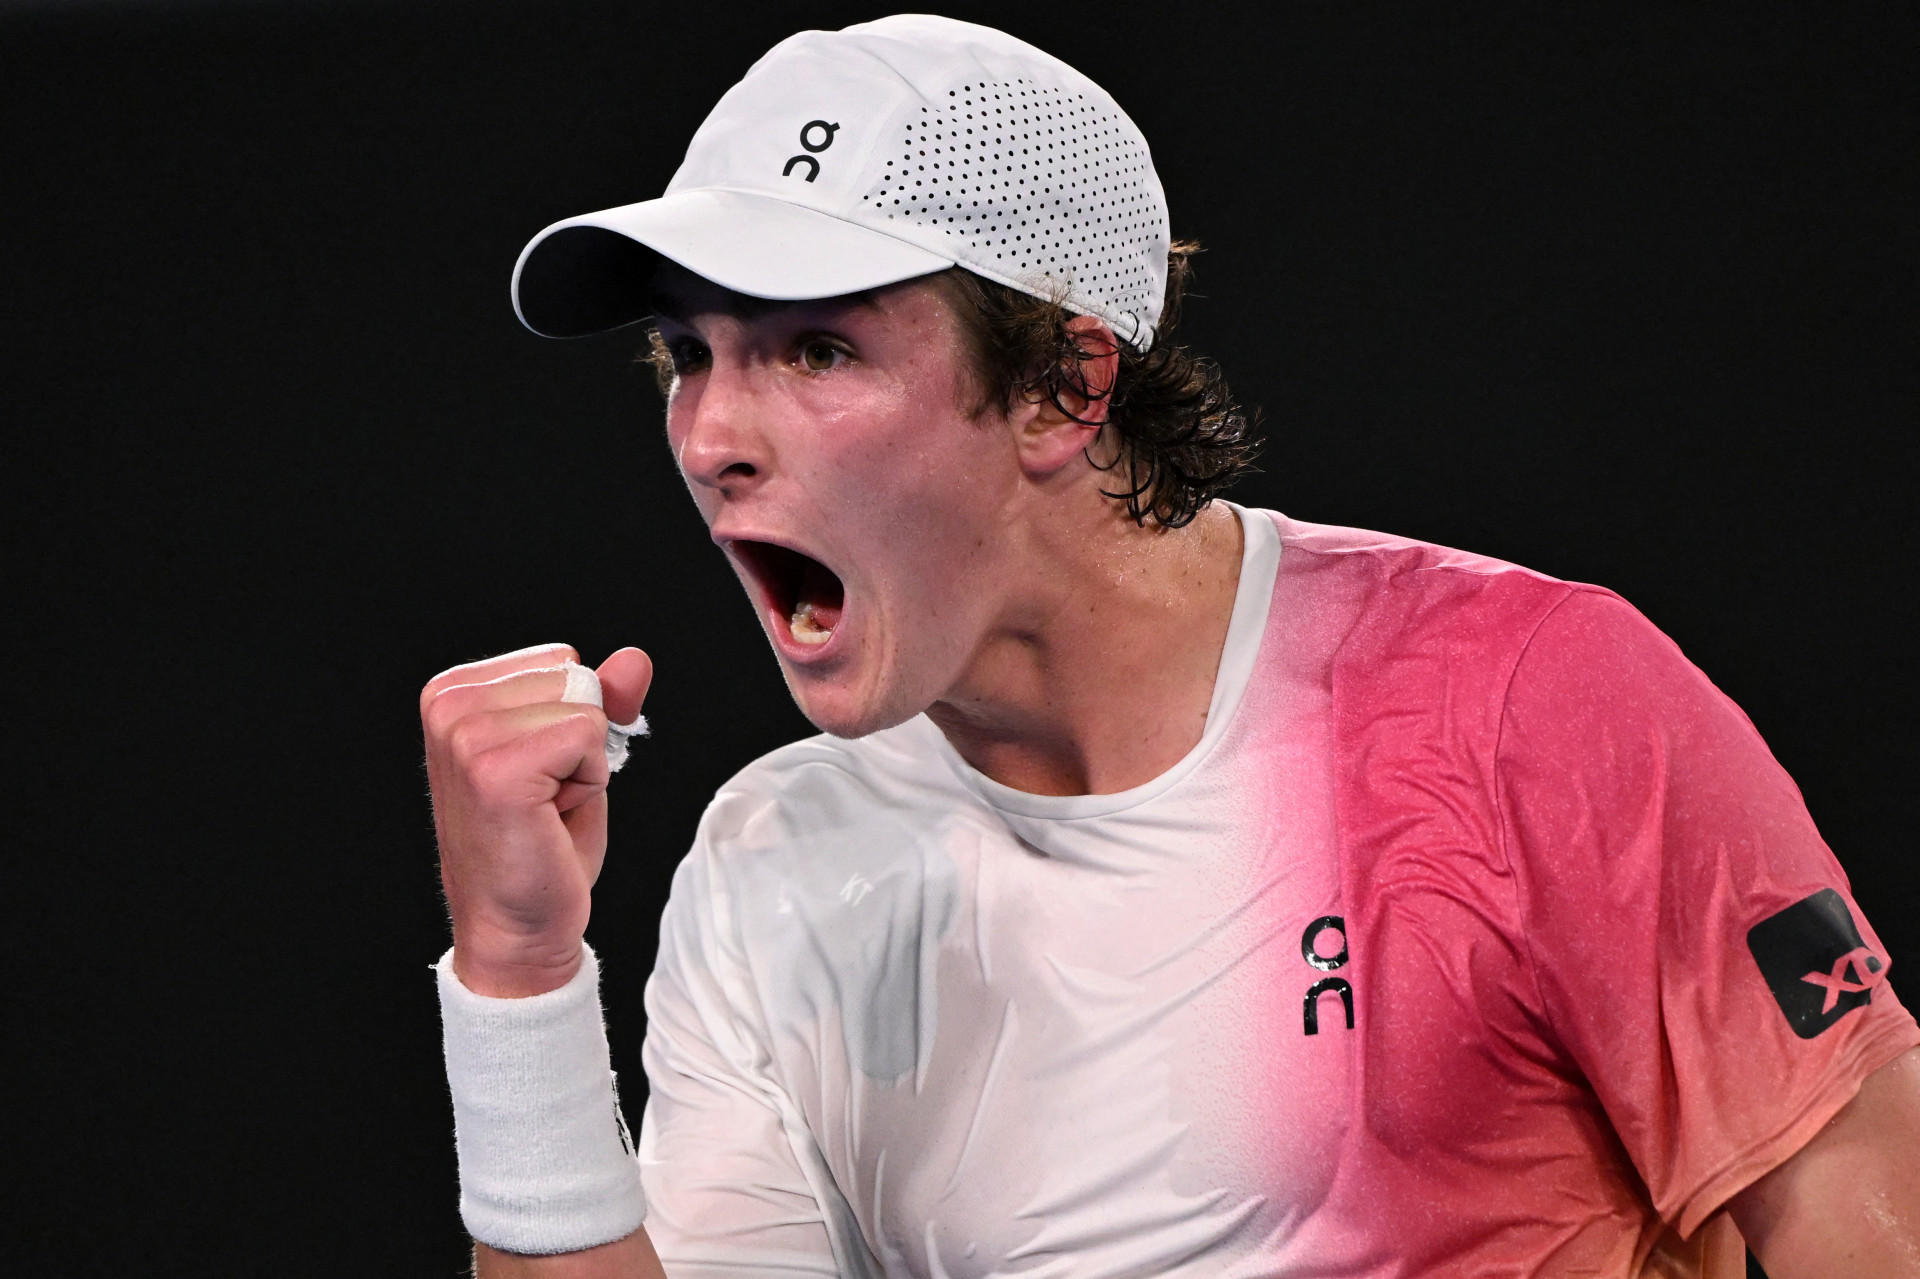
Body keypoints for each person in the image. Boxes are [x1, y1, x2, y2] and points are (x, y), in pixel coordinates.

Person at [420, 16, 1920, 1279]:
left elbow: (1863, 1217)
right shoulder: (774, 863)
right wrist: (520, 980)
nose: (710, 438)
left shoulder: (1531, 701)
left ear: (1066, 388)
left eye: (816, 349)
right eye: (692, 354)